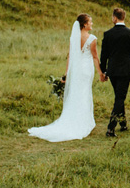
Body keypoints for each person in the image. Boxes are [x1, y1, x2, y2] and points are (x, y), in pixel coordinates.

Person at [28, 13, 98, 142]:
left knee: (76, 94)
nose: (92, 24)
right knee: (84, 93)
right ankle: (83, 122)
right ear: (84, 24)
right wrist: (101, 72)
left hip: (76, 71)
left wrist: (66, 74)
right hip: (87, 70)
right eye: (90, 22)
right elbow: (94, 57)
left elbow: (70, 56)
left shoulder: (74, 38)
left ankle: (74, 119)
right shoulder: (92, 38)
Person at [99, 7, 130, 137]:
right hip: (125, 70)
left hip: (112, 70)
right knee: (120, 97)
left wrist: (104, 70)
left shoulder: (108, 34)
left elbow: (104, 54)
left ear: (114, 18)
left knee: (119, 96)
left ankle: (123, 124)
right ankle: (110, 128)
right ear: (124, 17)